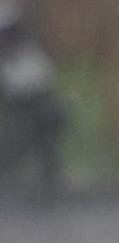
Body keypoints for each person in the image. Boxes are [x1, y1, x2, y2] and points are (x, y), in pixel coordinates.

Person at [0, 0, 67, 197]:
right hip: (20, 110)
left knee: (43, 134)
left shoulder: (29, 59)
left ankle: (50, 180)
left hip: (35, 108)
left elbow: (42, 85)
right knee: (19, 140)